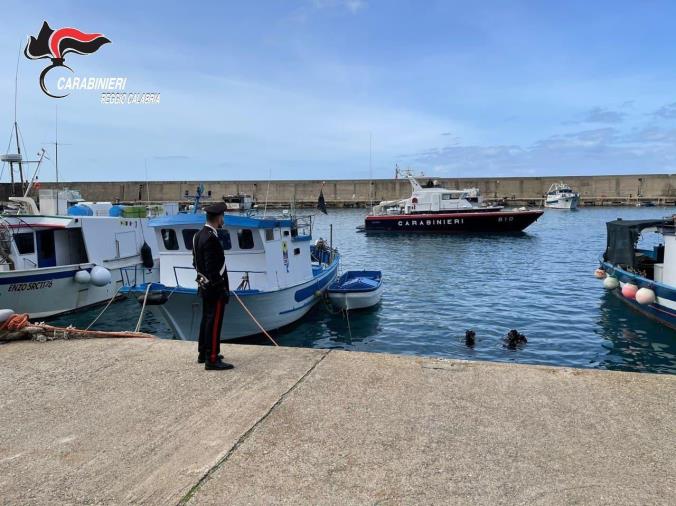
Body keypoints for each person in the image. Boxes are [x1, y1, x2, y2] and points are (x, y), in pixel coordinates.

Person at [192, 202, 234, 370]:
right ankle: (212, 358)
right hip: (214, 289)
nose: (223, 219)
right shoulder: (211, 238)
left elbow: (195, 263)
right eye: (223, 217)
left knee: (206, 320)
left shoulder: (198, 235)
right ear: (219, 218)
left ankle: (203, 352)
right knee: (215, 322)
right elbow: (212, 269)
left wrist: (205, 282)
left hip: (203, 286)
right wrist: (221, 289)